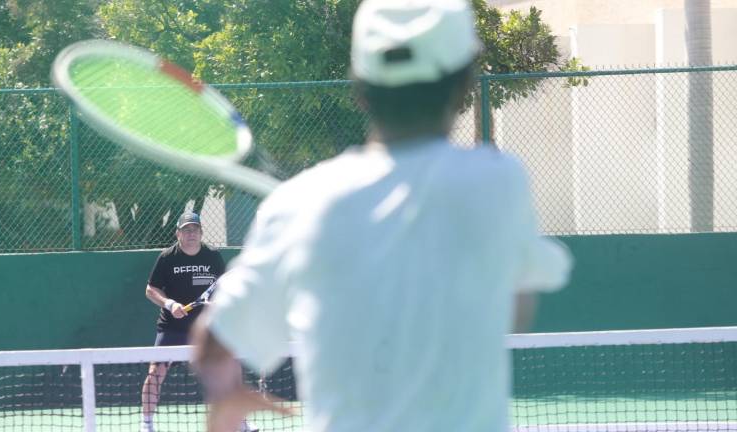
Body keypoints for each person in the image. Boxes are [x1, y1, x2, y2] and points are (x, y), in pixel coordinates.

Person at [191, 1, 573, 431]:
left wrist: (226, 397)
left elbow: (212, 346)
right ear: (467, 83)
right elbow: (514, 311)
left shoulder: (297, 205)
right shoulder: (500, 181)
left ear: (359, 87)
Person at [140, 211, 256, 432]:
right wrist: (169, 304)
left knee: (231, 369)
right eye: (186, 230)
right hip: (172, 328)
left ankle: (239, 421)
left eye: (195, 230)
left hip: (207, 327)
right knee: (155, 372)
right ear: (178, 234)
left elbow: (222, 287)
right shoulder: (167, 258)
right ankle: (146, 424)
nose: (191, 234)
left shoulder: (212, 256)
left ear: (201, 233)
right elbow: (150, 290)